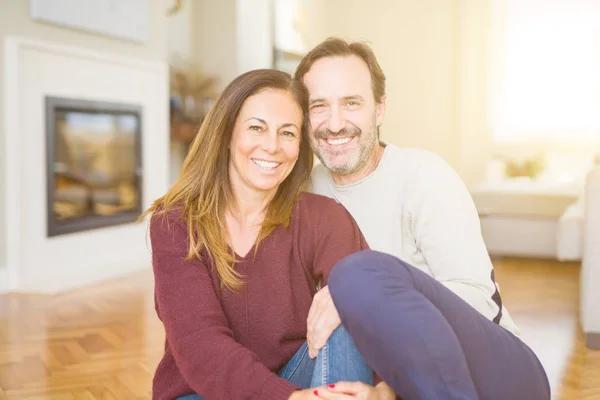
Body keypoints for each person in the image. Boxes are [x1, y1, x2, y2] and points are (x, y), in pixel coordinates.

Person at [293, 38, 551, 399]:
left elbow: (478, 300)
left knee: (356, 276)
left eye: (351, 103)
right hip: (392, 380)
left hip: (496, 373)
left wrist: (356, 296)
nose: (335, 124)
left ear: (379, 109)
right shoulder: (303, 191)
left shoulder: (424, 176)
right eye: (319, 106)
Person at [142, 69, 380, 400]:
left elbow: (377, 311)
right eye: (256, 128)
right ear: (227, 133)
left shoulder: (322, 217)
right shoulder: (177, 223)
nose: (272, 147)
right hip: (202, 392)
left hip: (297, 377)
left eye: (287, 133)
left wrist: (385, 392)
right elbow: (200, 346)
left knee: (350, 299)